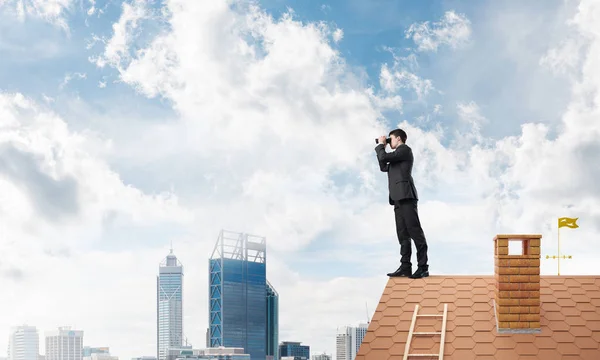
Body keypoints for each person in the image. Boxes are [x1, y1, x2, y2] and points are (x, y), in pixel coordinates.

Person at [375, 129, 429, 279]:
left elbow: (384, 156)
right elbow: (383, 166)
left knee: (415, 232)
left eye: (390, 139)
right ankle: (405, 267)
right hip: (397, 198)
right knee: (402, 234)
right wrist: (382, 147)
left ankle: (423, 267)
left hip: (406, 196)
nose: (388, 142)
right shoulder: (395, 157)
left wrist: (381, 146)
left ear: (398, 139)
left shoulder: (404, 150)